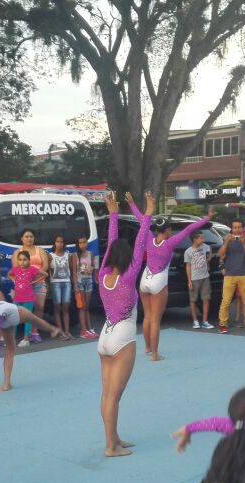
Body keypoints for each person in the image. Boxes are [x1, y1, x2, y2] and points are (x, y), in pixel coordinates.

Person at [95, 191, 152, 457]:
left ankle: (114, 438)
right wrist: (148, 214)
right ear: (127, 257)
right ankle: (110, 446)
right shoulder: (128, 277)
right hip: (122, 338)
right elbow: (140, 243)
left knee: (107, 394)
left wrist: (114, 214)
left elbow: (109, 247)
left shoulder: (102, 274)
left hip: (105, 336)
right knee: (114, 397)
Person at [131, 202, 209, 359]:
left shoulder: (148, 237)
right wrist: (206, 218)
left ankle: (147, 347)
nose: (171, 232)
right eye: (170, 229)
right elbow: (189, 229)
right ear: (166, 231)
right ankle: (155, 354)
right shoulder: (170, 243)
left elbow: (141, 219)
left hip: (145, 279)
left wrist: (132, 203)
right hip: (159, 282)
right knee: (155, 320)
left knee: (147, 316)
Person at [217, 219, 245, 334]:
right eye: (235, 227)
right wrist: (226, 242)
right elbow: (219, 255)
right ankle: (222, 324)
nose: (237, 229)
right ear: (232, 229)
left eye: (239, 227)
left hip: (244, 274)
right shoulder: (227, 239)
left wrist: (243, 243)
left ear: (242, 228)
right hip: (229, 275)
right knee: (226, 301)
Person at [11, 229, 49, 343]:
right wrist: (26, 278)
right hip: (24, 285)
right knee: (24, 310)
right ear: (22, 238)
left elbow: (45, 265)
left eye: (31, 236)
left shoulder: (40, 250)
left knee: (39, 307)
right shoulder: (17, 252)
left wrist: (35, 277)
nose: (29, 238)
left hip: (39, 283)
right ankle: (22, 334)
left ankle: (34, 332)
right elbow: (15, 269)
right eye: (26, 236)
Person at [8, 250, 44, 347]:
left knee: (27, 319)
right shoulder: (15, 269)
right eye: (20, 260)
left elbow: (45, 274)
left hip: (28, 298)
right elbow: (9, 274)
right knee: (14, 318)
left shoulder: (32, 269)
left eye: (25, 260)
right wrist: (13, 279)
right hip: (17, 298)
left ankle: (26, 339)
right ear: (17, 261)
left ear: (29, 260)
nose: (22, 262)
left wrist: (35, 282)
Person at [185, 231, 214, 330]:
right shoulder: (188, 251)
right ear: (195, 239)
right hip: (194, 278)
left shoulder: (205, 246)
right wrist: (189, 280)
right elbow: (188, 266)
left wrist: (209, 257)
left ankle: (205, 321)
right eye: (201, 238)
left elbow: (210, 249)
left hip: (205, 277)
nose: (203, 240)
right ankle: (195, 320)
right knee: (193, 299)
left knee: (206, 299)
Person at [48, 235, 75, 340]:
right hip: (55, 283)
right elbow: (47, 270)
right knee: (57, 307)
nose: (60, 244)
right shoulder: (50, 256)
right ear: (54, 243)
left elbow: (72, 271)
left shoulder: (68, 256)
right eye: (58, 241)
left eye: (62, 242)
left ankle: (67, 331)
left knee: (65, 307)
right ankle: (60, 331)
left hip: (66, 282)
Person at [71, 235, 97, 338]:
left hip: (89, 281)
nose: (83, 244)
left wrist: (91, 269)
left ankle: (90, 329)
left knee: (87, 306)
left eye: (84, 242)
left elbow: (93, 266)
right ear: (78, 244)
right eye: (80, 242)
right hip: (80, 281)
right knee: (82, 306)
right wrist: (75, 285)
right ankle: (83, 330)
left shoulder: (90, 254)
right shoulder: (75, 255)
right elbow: (73, 271)